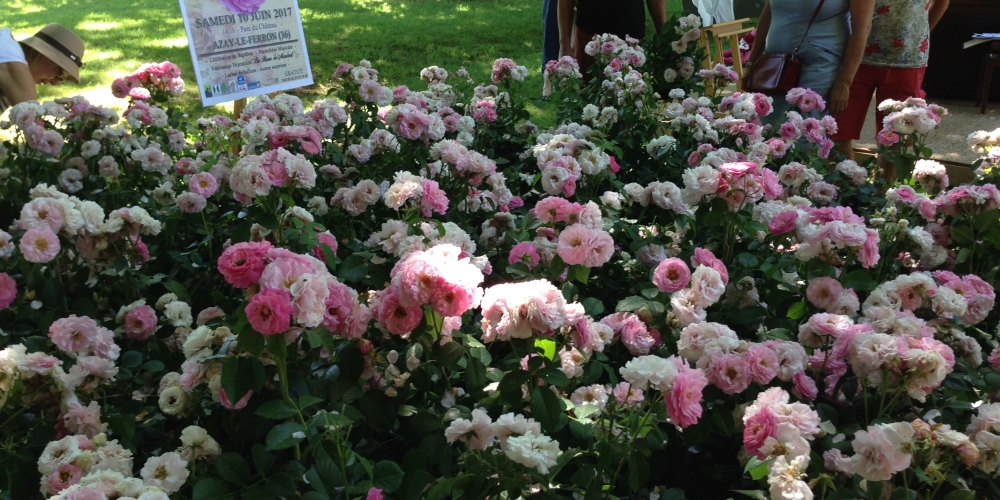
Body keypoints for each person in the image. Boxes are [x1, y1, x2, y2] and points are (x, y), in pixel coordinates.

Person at [831, 0, 950, 169]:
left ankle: (883, 192)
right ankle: (846, 186)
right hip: (856, 58)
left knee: (896, 138)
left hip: (907, 61)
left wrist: (920, 31)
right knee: (838, 131)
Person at [744, 0, 875, 125]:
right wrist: (752, 63)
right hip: (776, 68)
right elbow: (770, 10)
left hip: (819, 66)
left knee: (804, 131)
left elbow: (862, 28)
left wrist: (844, 82)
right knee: (769, 128)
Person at [557, 0, 667, 76]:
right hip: (590, 39)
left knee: (632, 99)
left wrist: (664, 39)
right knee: (590, 104)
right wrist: (564, 45)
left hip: (632, 40)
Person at [0, 23, 85, 113]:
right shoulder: (9, 56)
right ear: (44, 54)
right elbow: (32, 120)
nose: (55, 83)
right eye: (59, 75)